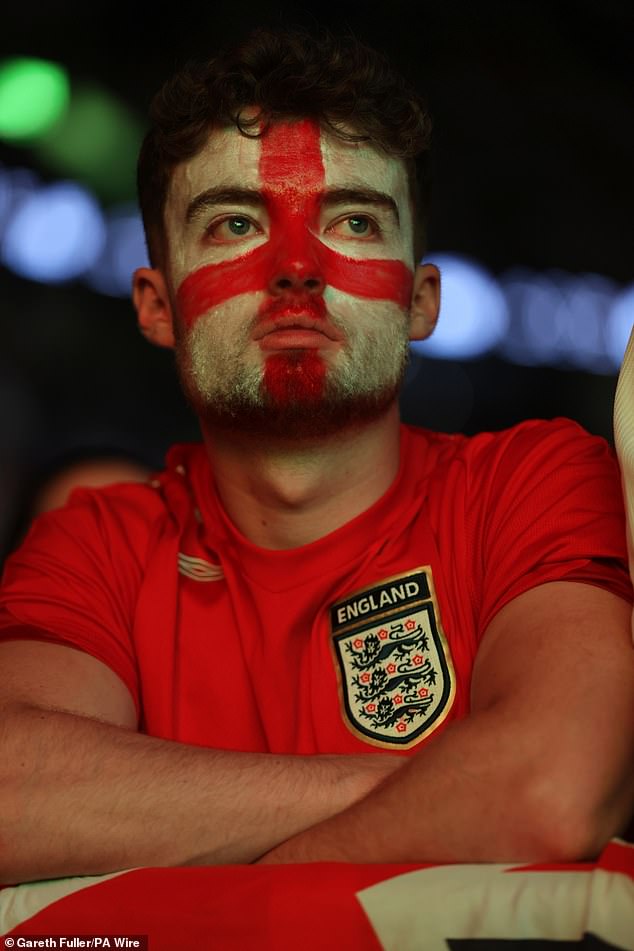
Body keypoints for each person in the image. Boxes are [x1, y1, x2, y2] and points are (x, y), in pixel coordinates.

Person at [0, 27, 632, 885]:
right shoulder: (95, 540)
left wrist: (231, 877)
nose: (296, 267)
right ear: (155, 306)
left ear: (420, 301)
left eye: (354, 219)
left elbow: (549, 787)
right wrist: (437, 785)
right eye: (234, 222)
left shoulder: (535, 481)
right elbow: (14, 799)